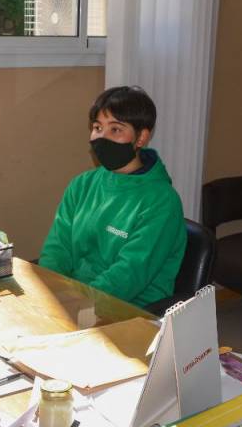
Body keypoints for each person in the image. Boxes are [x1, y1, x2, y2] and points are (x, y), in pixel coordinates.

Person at [39, 85, 186, 308]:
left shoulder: (162, 201)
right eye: (97, 127)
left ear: (141, 137)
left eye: (116, 129)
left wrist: (77, 304)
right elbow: (57, 248)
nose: (102, 137)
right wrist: (48, 290)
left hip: (130, 309)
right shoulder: (82, 185)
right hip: (76, 299)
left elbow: (130, 273)